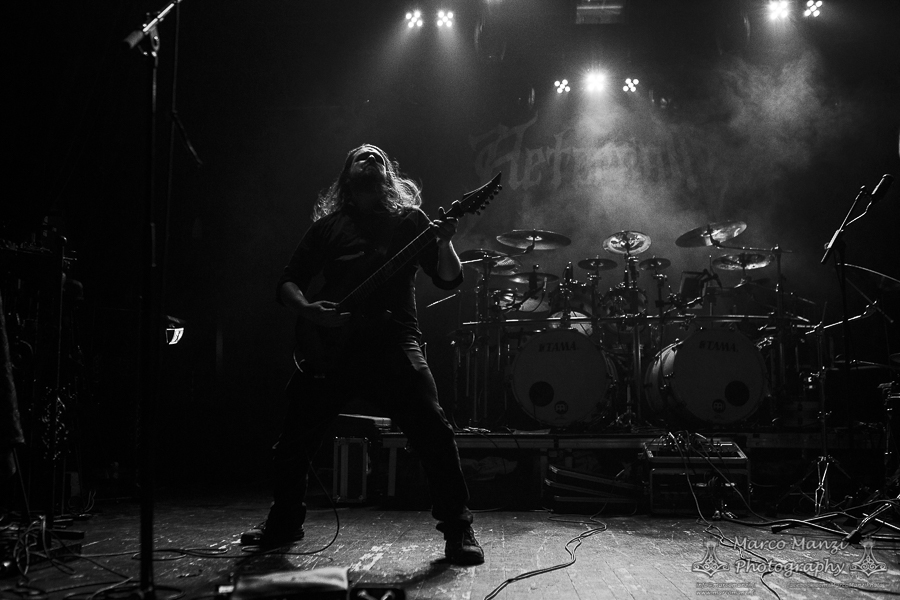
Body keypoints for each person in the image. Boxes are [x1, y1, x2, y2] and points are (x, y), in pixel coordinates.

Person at [241, 144, 483, 565]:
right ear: (346, 175)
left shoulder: (411, 221)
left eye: (378, 157)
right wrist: (308, 310)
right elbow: (288, 281)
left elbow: (448, 279)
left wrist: (445, 241)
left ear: (389, 174)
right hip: (331, 347)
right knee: (293, 438)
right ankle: (284, 522)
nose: (371, 159)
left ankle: (458, 528)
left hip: (394, 341)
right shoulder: (327, 228)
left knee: (434, 430)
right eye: (361, 156)